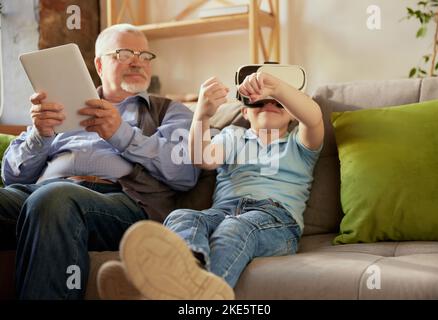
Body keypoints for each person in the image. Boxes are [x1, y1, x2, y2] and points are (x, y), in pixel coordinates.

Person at [0, 23, 200, 299]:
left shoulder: (169, 110)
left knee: (55, 199)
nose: (137, 62)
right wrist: (40, 134)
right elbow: (12, 176)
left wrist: (121, 134)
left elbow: (184, 172)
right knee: (43, 197)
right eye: (124, 53)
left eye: (145, 56)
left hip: (120, 202)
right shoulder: (61, 105)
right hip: (42, 192)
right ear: (99, 64)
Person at [97, 70, 325, 300]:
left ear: (293, 114)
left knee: (234, 228)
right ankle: (179, 283)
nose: (269, 104)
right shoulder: (233, 135)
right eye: (260, 101)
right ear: (245, 111)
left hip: (276, 221)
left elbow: (313, 117)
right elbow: (202, 158)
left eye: (278, 103)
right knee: (181, 217)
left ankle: (186, 296)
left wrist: (277, 88)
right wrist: (202, 115)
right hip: (221, 213)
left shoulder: (300, 143)